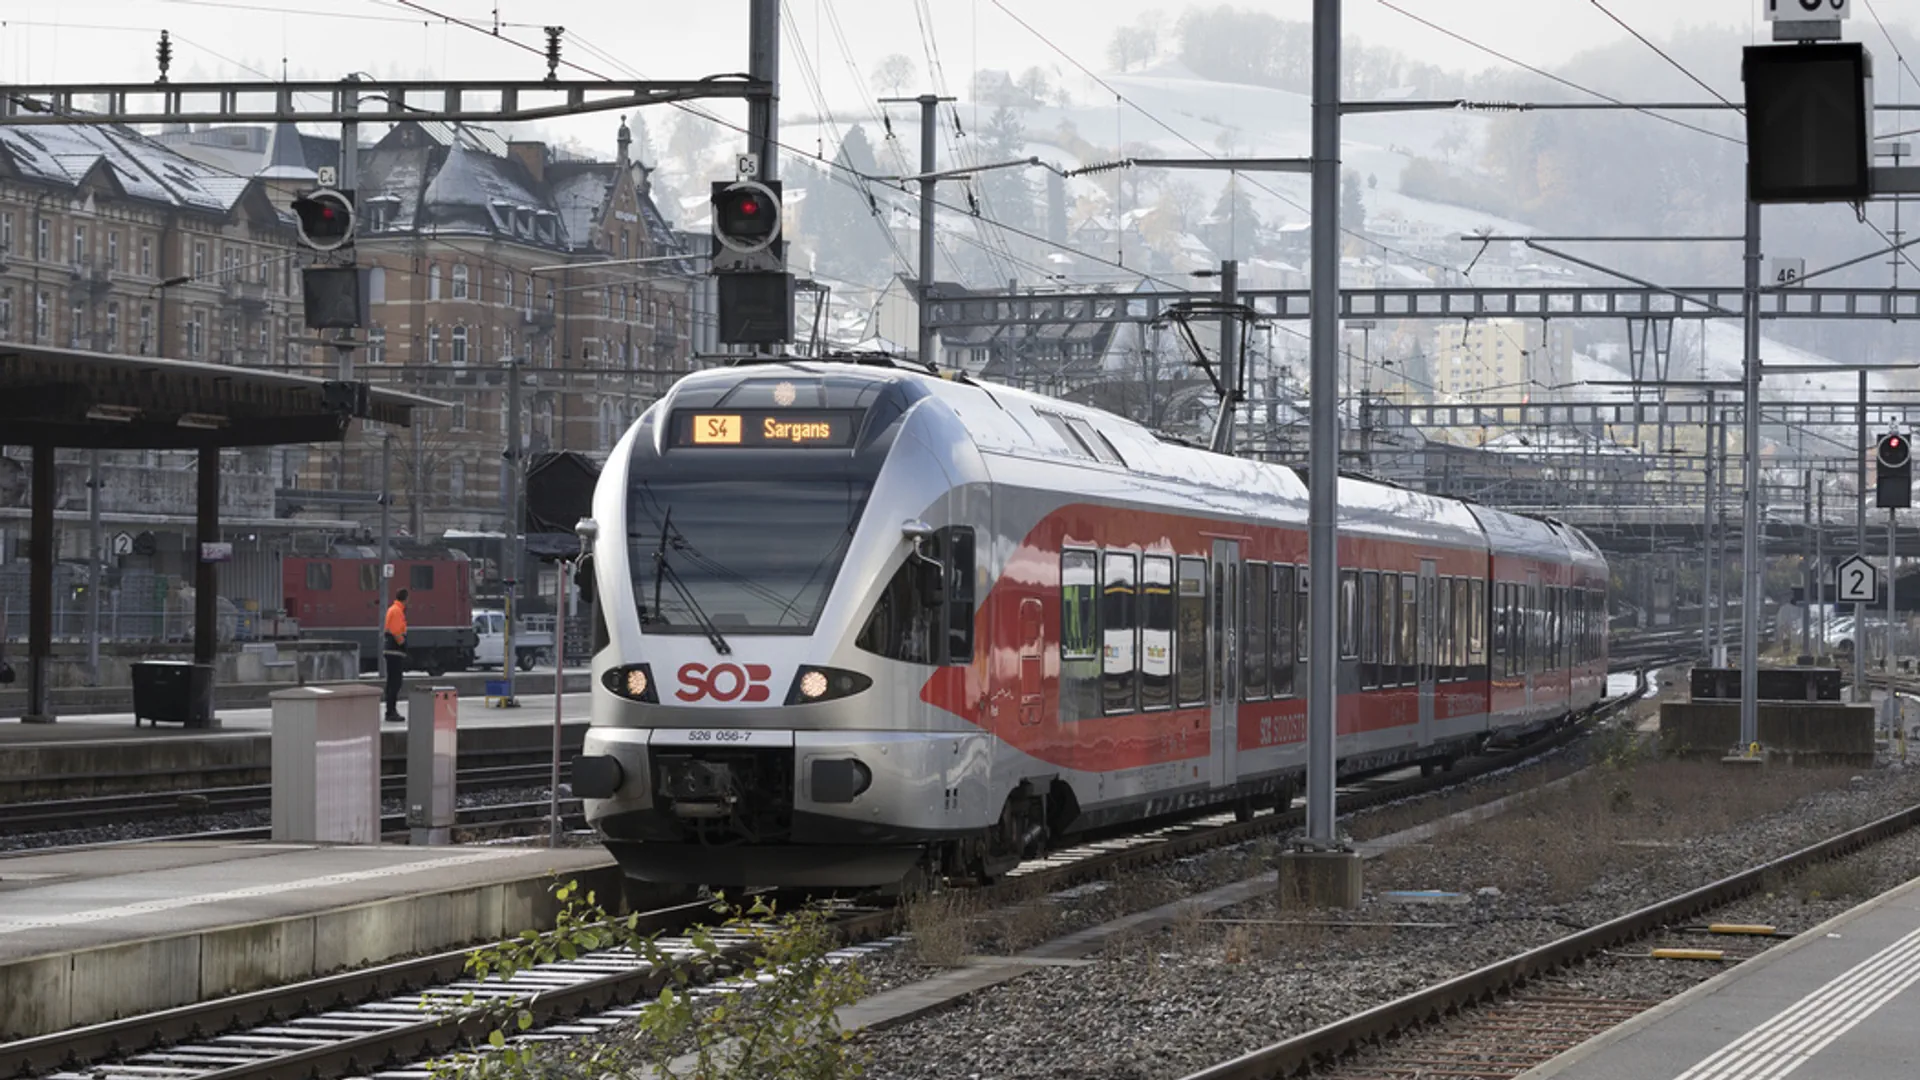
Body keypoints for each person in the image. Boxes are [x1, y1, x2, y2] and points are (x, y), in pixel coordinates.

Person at [383, 588, 409, 722]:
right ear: (405, 599)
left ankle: (390, 710)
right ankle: (391, 712)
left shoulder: (392, 609)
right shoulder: (397, 611)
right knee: (395, 682)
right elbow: (396, 632)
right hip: (395, 651)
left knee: (392, 682)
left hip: (390, 650)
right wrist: (403, 644)